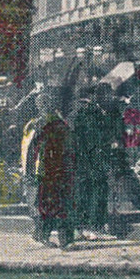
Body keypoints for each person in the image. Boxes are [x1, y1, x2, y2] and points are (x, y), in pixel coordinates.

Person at [26, 96, 75, 248]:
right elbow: (32, 150)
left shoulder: (54, 124)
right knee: (55, 205)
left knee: (54, 204)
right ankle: (58, 238)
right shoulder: (46, 124)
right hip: (50, 171)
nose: (44, 107)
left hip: (55, 170)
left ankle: (50, 236)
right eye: (42, 105)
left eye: (46, 104)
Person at [69, 87, 117, 239]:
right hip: (92, 160)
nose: (109, 98)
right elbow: (93, 140)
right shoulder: (90, 113)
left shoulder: (75, 113)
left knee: (83, 193)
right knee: (96, 192)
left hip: (83, 161)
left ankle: (81, 228)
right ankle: (93, 228)